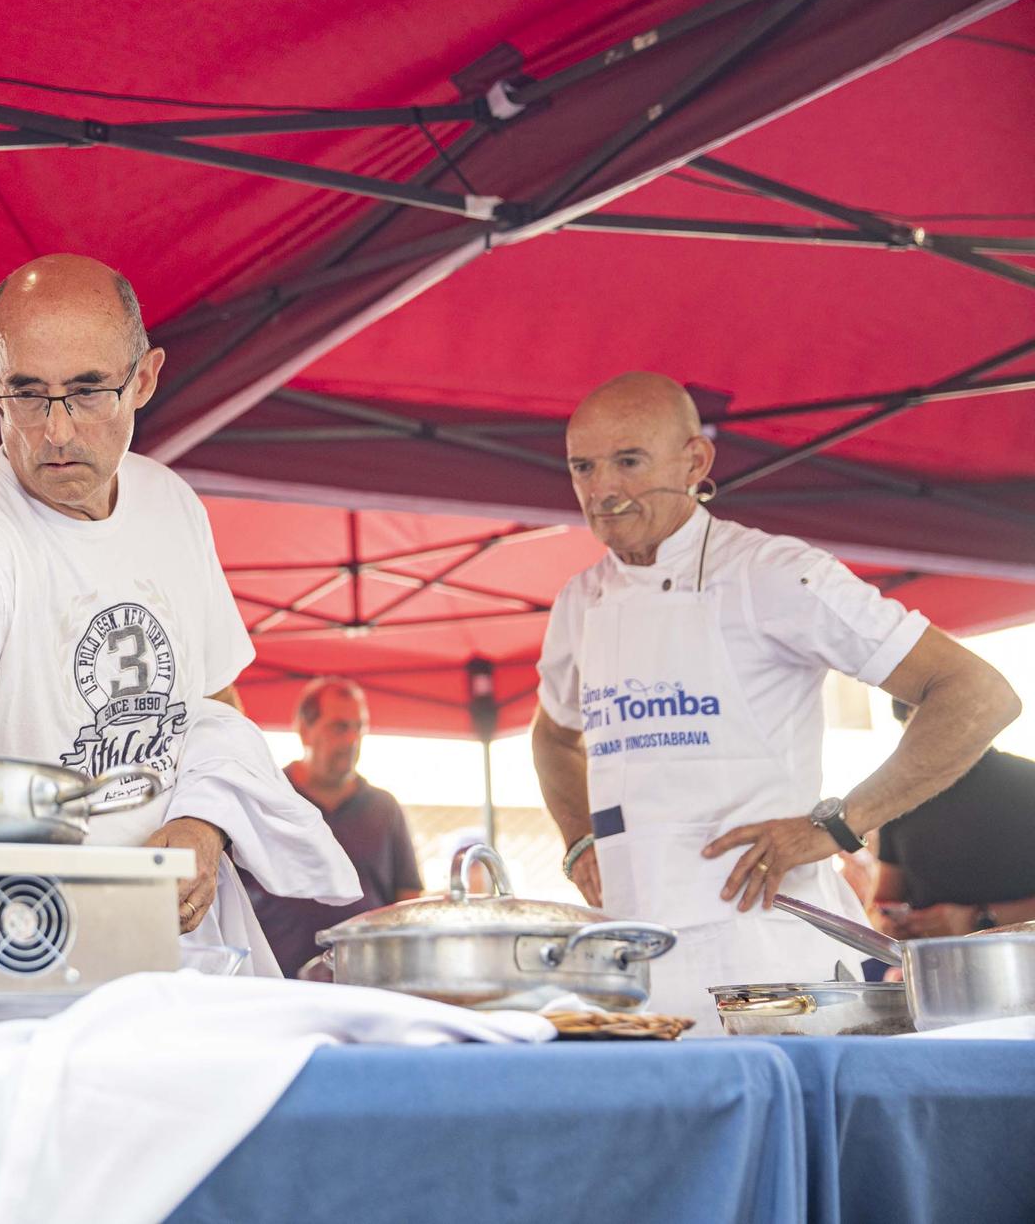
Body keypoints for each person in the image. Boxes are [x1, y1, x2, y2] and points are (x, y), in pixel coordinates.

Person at [0, 255, 357, 971]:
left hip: (185, 954)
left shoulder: (172, 505)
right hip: (28, 954)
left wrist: (204, 822)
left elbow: (216, 709)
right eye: (28, 395)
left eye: (89, 391)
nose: (58, 431)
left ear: (146, 378)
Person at [532, 372, 1019, 1028]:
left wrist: (837, 825)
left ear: (694, 460)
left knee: (774, 1113)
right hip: (640, 973)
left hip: (770, 971)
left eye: (628, 461)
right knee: (675, 1122)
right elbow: (554, 735)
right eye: (582, 467)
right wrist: (576, 842)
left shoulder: (771, 571)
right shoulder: (579, 601)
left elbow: (979, 694)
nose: (602, 490)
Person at [240, 677, 422, 977]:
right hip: (275, 984)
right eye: (339, 727)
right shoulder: (266, 798)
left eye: (358, 727)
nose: (352, 740)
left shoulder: (384, 808)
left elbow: (408, 900)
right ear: (304, 730)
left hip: (367, 983)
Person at [874, 697, 1035, 937]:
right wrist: (887, 922)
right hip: (937, 965)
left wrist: (981, 918)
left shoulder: (1027, 782)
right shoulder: (900, 797)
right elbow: (882, 900)